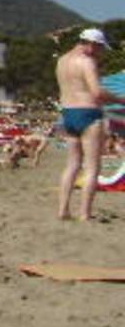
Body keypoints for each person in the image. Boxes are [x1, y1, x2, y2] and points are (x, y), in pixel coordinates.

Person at [56, 28, 124, 220]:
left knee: (72, 164)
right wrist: (121, 100)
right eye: (100, 48)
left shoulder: (62, 61)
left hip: (68, 113)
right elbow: (97, 92)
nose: (101, 53)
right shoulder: (87, 62)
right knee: (93, 166)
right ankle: (85, 213)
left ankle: (63, 210)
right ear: (92, 44)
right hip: (88, 112)